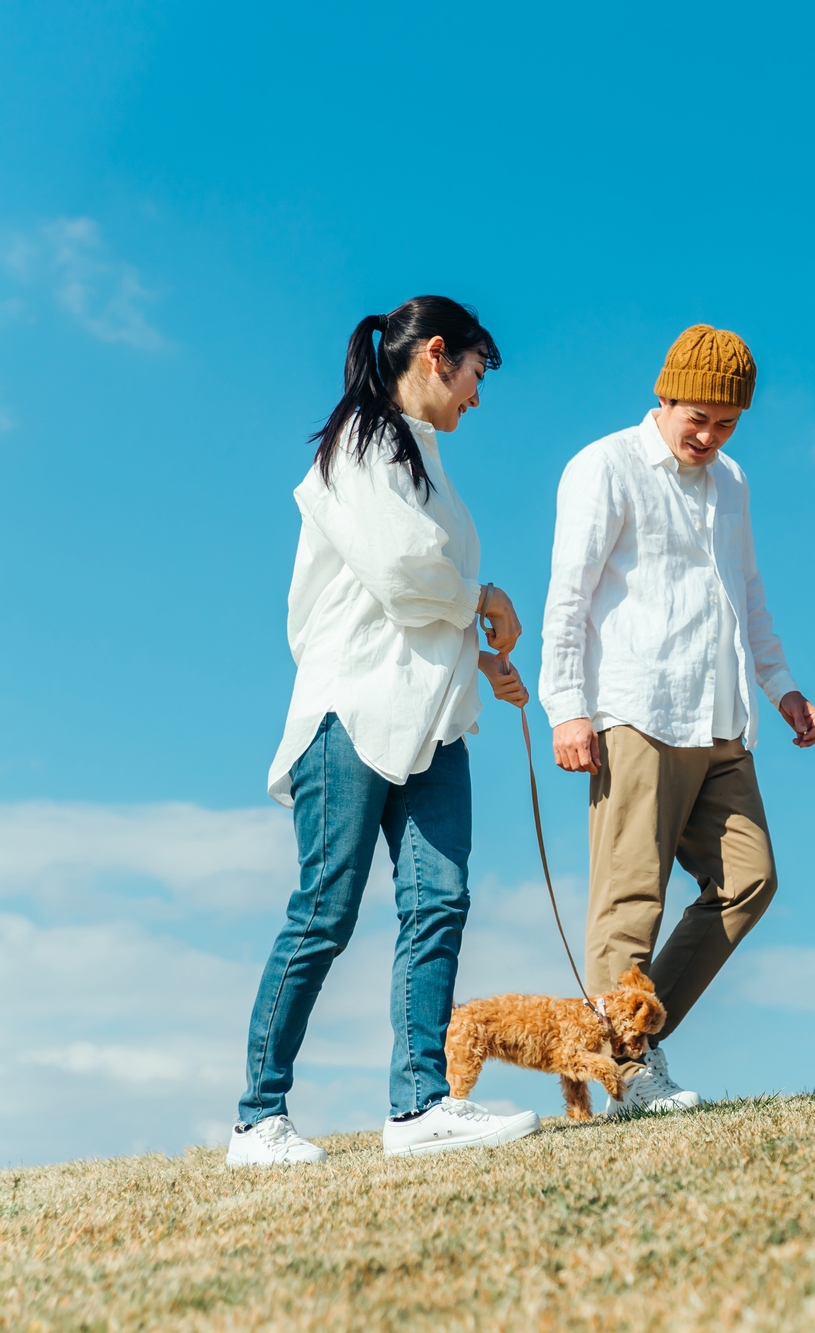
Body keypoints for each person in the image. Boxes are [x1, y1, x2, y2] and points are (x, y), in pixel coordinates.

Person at [226, 297, 542, 1166]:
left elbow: (407, 603)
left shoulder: (428, 463)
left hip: (430, 719)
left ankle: (420, 1103)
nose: (479, 396)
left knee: (438, 901)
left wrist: (476, 660)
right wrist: (484, 599)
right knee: (326, 911)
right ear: (438, 355)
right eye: (477, 373)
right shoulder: (362, 442)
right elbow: (406, 576)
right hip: (351, 712)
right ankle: (258, 1118)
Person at [540, 323, 815, 1115]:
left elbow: (748, 593)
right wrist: (568, 708)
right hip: (636, 708)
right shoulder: (605, 466)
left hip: (722, 713)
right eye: (697, 417)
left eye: (726, 423)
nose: (709, 435)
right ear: (662, 398)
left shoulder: (732, 481)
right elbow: (568, 593)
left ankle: (624, 1040)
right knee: (631, 901)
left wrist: (782, 685)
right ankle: (628, 1072)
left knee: (750, 879)